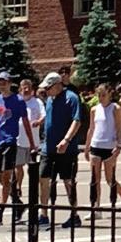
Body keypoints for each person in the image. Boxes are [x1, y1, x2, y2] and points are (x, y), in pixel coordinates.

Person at [0, 71, 36, 225]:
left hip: (9, 142)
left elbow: (25, 121)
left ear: (10, 83)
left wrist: (32, 143)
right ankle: (18, 203)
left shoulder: (18, 100)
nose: (2, 85)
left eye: (4, 82)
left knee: (6, 178)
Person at [36, 71, 83, 230]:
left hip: (66, 150)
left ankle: (74, 215)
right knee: (43, 178)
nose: (46, 91)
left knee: (68, 181)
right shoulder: (50, 99)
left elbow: (76, 121)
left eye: (48, 88)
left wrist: (66, 140)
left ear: (57, 85)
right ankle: (43, 215)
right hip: (48, 148)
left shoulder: (71, 98)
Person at [83, 83, 121, 206]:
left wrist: (119, 145)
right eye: (99, 95)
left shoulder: (115, 108)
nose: (101, 98)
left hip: (109, 147)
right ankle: (96, 205)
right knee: (95, 179)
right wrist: (87, 147)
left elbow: (119, 128)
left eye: (103, 95)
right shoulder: (94, 109)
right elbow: (91, 128)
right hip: (96, 145)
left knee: (110, 179)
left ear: (109, 94)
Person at [13, 78, 45, 214]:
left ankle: (33, 191)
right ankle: (18, 188)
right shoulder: (17, 101)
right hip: (19, 140)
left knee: (32, 169)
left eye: (27, 87)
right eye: (23, 87)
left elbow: (44, 115)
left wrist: (39, 121)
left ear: (32, 89)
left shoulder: (37, 102)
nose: (25, 90)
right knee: (18, 166)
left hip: (33, 142)